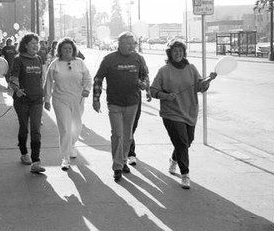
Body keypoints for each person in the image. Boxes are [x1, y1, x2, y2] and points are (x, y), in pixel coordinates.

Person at [150, 39, 216, 189]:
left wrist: (209, 80)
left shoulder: (191, 68)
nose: (178, 53)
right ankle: (185, 174)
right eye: (175, 51)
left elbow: (200, 86)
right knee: (181, 142)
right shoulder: (164, 71)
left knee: (187, 141)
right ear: (170, 54)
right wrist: (166, 96)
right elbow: (153, 90)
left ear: (184, 53)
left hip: (190, 111)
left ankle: (174, 160)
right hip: (171, 113)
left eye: (180, 51)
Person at [92, 31, 149, 182]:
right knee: (117, 134)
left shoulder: (138, 58)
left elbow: (144, 75)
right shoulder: (109, 59)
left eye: (133, 43)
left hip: (132, 102)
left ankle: (123, 160)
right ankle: (117, 167)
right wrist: (96, 99)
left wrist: (144, 84)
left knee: (127, 135)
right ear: (120, 44)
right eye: (129, 43)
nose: (132, 46)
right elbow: (98, 78)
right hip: (115, 103)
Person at [44, 38, 92, 171]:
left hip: (77, 100)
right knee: (65, 128)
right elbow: (48, 82)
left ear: (74, 50)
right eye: (65, 49)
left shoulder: (80, 63)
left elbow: (88, 78)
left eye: (70, 49)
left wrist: (87, 89)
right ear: (60, 50)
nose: (68, 51)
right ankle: (65, 157)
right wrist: (47, 99)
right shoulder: (55, 64)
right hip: (60, 100)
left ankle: (71, 146)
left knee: (76, 127)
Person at [8, 33, 46, 173]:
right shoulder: (19, 59)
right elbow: (12, 77)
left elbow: (40, 78)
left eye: (37, 43)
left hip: (36, 100)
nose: (36, 46)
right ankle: (24, 153)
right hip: (22, 100)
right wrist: (16, 89)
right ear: (25, 45)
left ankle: (36, 161)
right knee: (24, 127)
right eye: (32, 43)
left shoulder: (38, 59)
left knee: (36, 129)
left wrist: (43, 94)